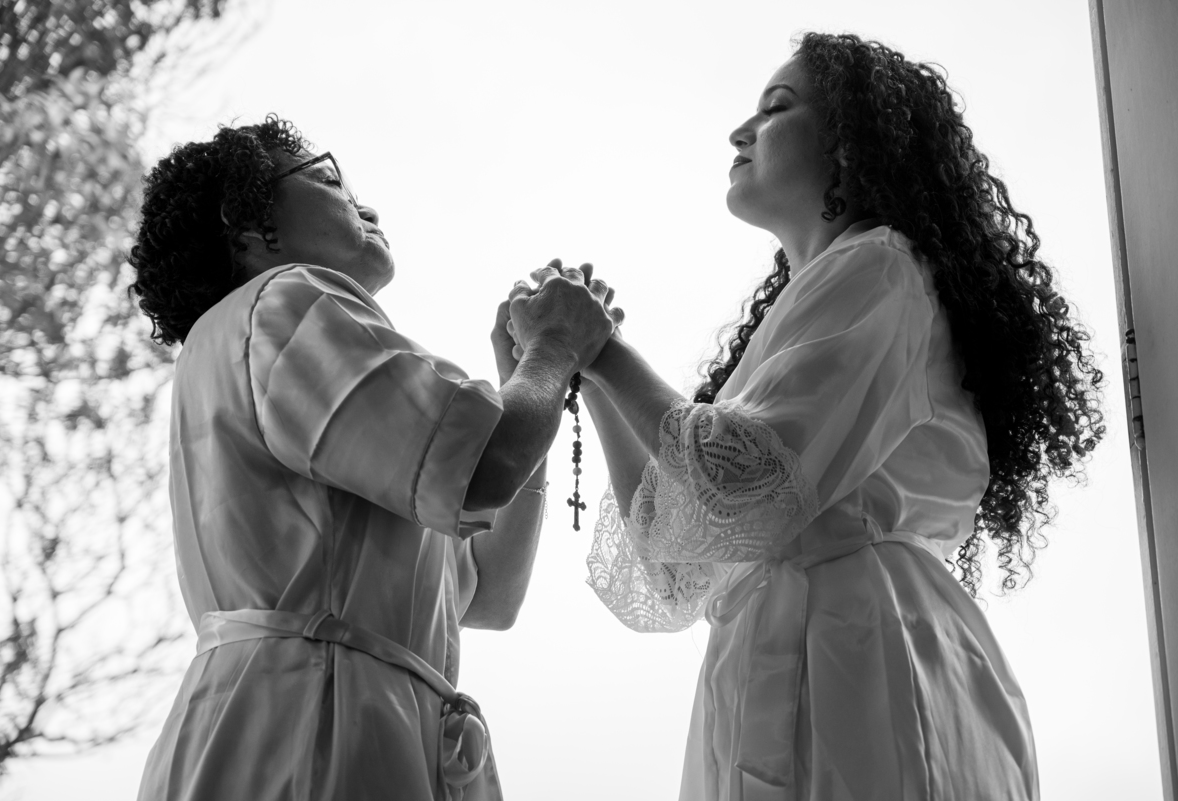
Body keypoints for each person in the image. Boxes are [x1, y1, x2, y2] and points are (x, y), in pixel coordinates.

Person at [578, 32, 1104, 801]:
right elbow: (674, 571)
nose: (740, 131)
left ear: (850, 147)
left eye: (776, 108)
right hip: (783, 667)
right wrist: (591, 368)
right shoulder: (818, 300)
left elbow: (750, 483)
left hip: (863, 657)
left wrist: (604, 348)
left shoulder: (883, 266)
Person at [127, 116, 621, 800]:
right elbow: (486, 467)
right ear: (244, 223)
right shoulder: (284, 303)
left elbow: (490, 590)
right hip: (309, 732)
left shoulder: (249, 342)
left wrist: (525, 373)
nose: (366, 205)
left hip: (314, 719)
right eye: (327, 178)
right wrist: (554, 347)